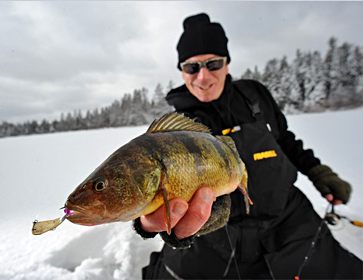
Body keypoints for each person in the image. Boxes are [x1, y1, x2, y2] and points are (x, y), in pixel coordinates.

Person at [133, 13, 363, 279]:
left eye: (213, 63)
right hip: (218, 234)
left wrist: (319, 172)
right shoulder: (177, 128)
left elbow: (285, 139)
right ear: (182, 71)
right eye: (191, 67)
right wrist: (153, 222)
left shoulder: (254, 96)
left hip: (287, 219)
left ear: (227, 63)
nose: (203, 77)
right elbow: (151, 187)